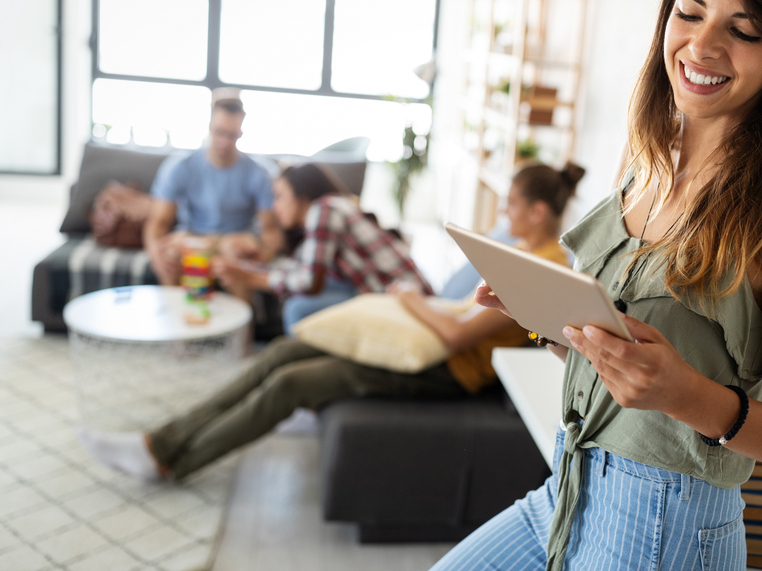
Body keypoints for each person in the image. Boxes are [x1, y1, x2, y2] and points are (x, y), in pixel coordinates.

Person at [433, 0, 762, 570]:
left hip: (667, 529)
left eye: (744, 29)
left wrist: (686, 393)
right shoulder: (645, 161)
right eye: (689, 13)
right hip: (569, 489)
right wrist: (556, 329)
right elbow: (629, 383)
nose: (701, 46)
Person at [78, 162, 585, 481]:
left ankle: (170, 459)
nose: (503, 210)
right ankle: (158, 440)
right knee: (281, 352)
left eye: (512, 203)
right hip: (431, 337)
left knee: (291, 383)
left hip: (448, 369)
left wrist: (407, 300)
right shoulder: (525, 249)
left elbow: (456, 334)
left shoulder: (542, 268)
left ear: (539, 211)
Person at [211, 163, 433, 333]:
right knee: (309, 287)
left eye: (279, 197)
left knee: (297, 307)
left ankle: (299, 361)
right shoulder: (330, 207)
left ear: (300, 196)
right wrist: (257, 264)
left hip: (407, 303)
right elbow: (301, 266)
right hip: (385, 291)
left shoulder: (324, 209)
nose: (274, 206)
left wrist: (248, 277)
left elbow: (307, 281)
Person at [144, 94, 282, 300]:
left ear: (241, 133)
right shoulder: (181, 167)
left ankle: (241, 327)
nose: (224, 141)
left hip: (235, 241)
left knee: (233, 251)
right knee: (171, 251)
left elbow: (271, 231)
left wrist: (262, 256)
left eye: (232, 135)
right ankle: (176, 322)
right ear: (209, 126)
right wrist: (156, 256)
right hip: (194, 240)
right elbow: (157, 223)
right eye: (219, 132)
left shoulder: (258, 173)